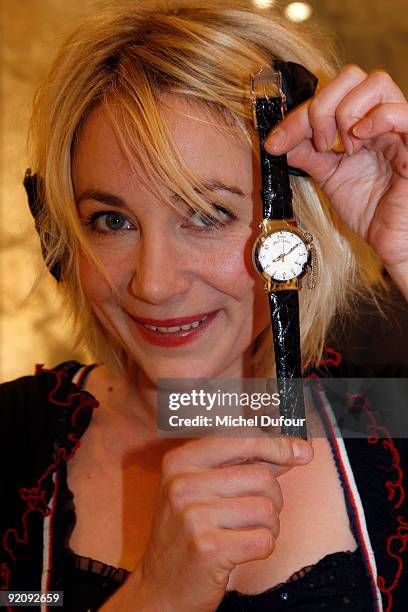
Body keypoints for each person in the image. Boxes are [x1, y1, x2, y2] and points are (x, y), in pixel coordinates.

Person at [1, 1, 407, 610]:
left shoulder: (388, 433)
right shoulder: (12, 446)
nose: (154, 284)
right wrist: (160, 592)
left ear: (300, 230)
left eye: (208, 214)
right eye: (111, 221)